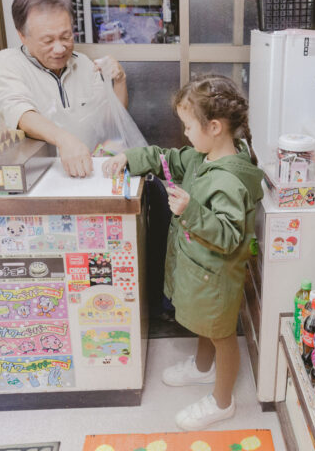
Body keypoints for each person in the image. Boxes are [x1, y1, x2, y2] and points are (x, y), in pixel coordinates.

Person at [102, 75, 263, 430]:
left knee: (222, 335)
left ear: (216, 127)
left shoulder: (229, 181)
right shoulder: (200, 157)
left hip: (217, 276)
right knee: (206, 325)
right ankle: (203, 369)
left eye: (189, 126)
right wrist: (129, 157)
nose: (186, 133)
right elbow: (166, 159)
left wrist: (190, 211)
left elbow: (228, 235)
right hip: (201, 271)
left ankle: (223, 402)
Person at [0, 0, 128, 178]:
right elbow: (21, 113)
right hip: (41, 179)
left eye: (66, 36)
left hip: (91, 173)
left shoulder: (84, 64)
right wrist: (64, 139)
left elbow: (110, 121)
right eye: (48, 41)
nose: (60, 48)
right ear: (22, 36)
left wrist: (119, 81)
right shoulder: (6, 64)